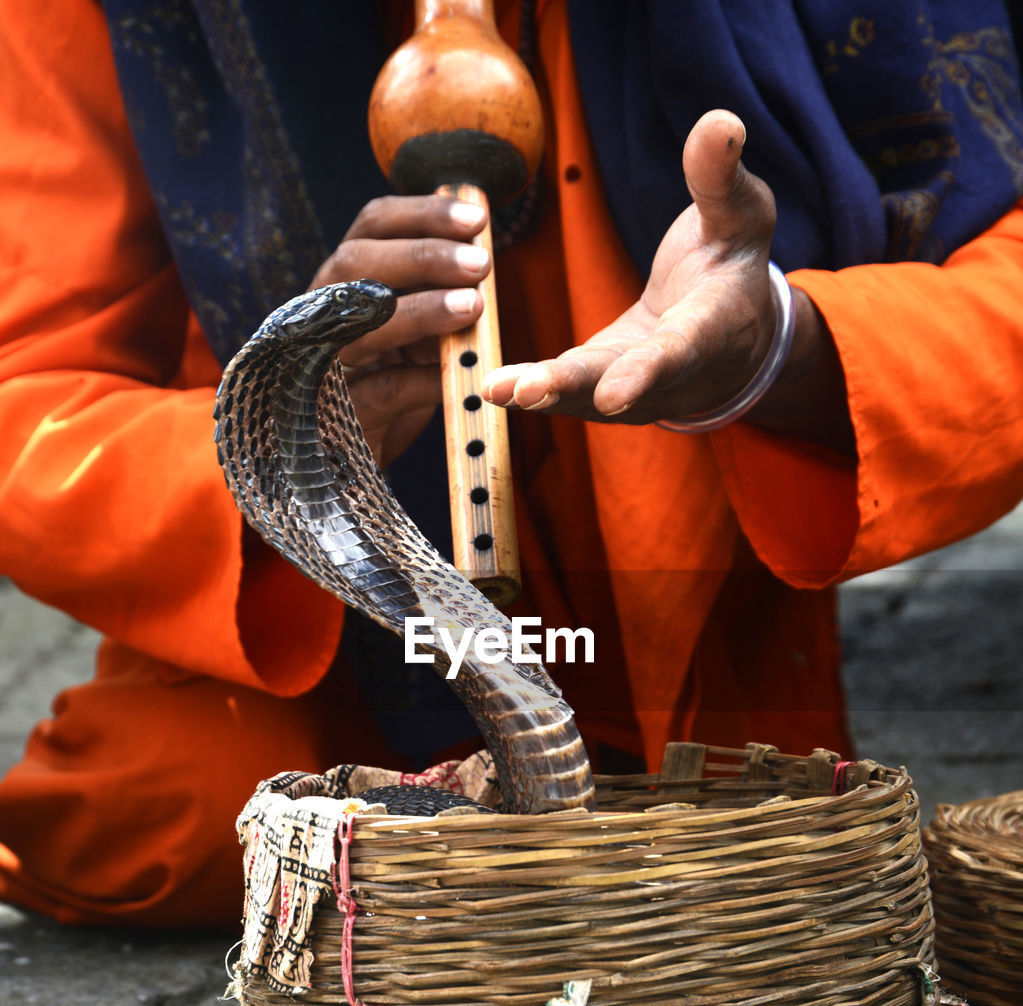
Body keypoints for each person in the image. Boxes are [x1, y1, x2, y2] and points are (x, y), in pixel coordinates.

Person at [1, 0, 1022, 929]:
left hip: (687, 641)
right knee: (173, 812)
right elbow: (29, 401)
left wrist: (783, 348)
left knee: (714, 844)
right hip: (318, 658)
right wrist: (284, 441)